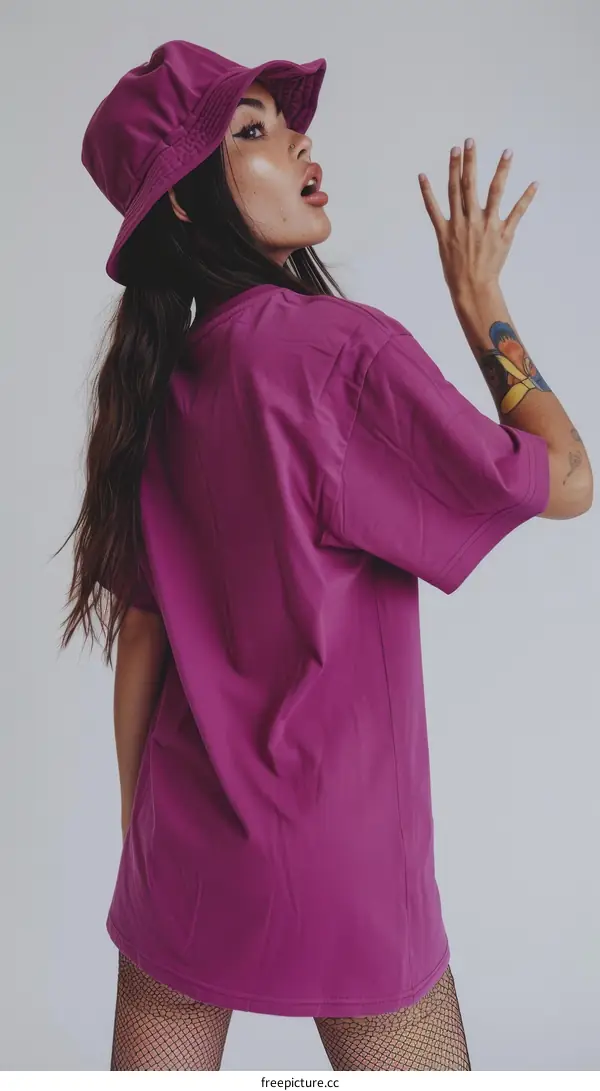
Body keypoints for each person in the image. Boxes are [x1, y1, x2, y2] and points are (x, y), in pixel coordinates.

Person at [57, 40, 593, 1072]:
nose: (300, 140)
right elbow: (566, 478)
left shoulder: (155, 384)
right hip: (347, 870)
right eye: (251, 129)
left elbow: (139, 634)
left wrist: (150, 844)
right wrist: (482, 300)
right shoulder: (341, 352)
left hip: (185, 856)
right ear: (184, 202)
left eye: (287, 122)